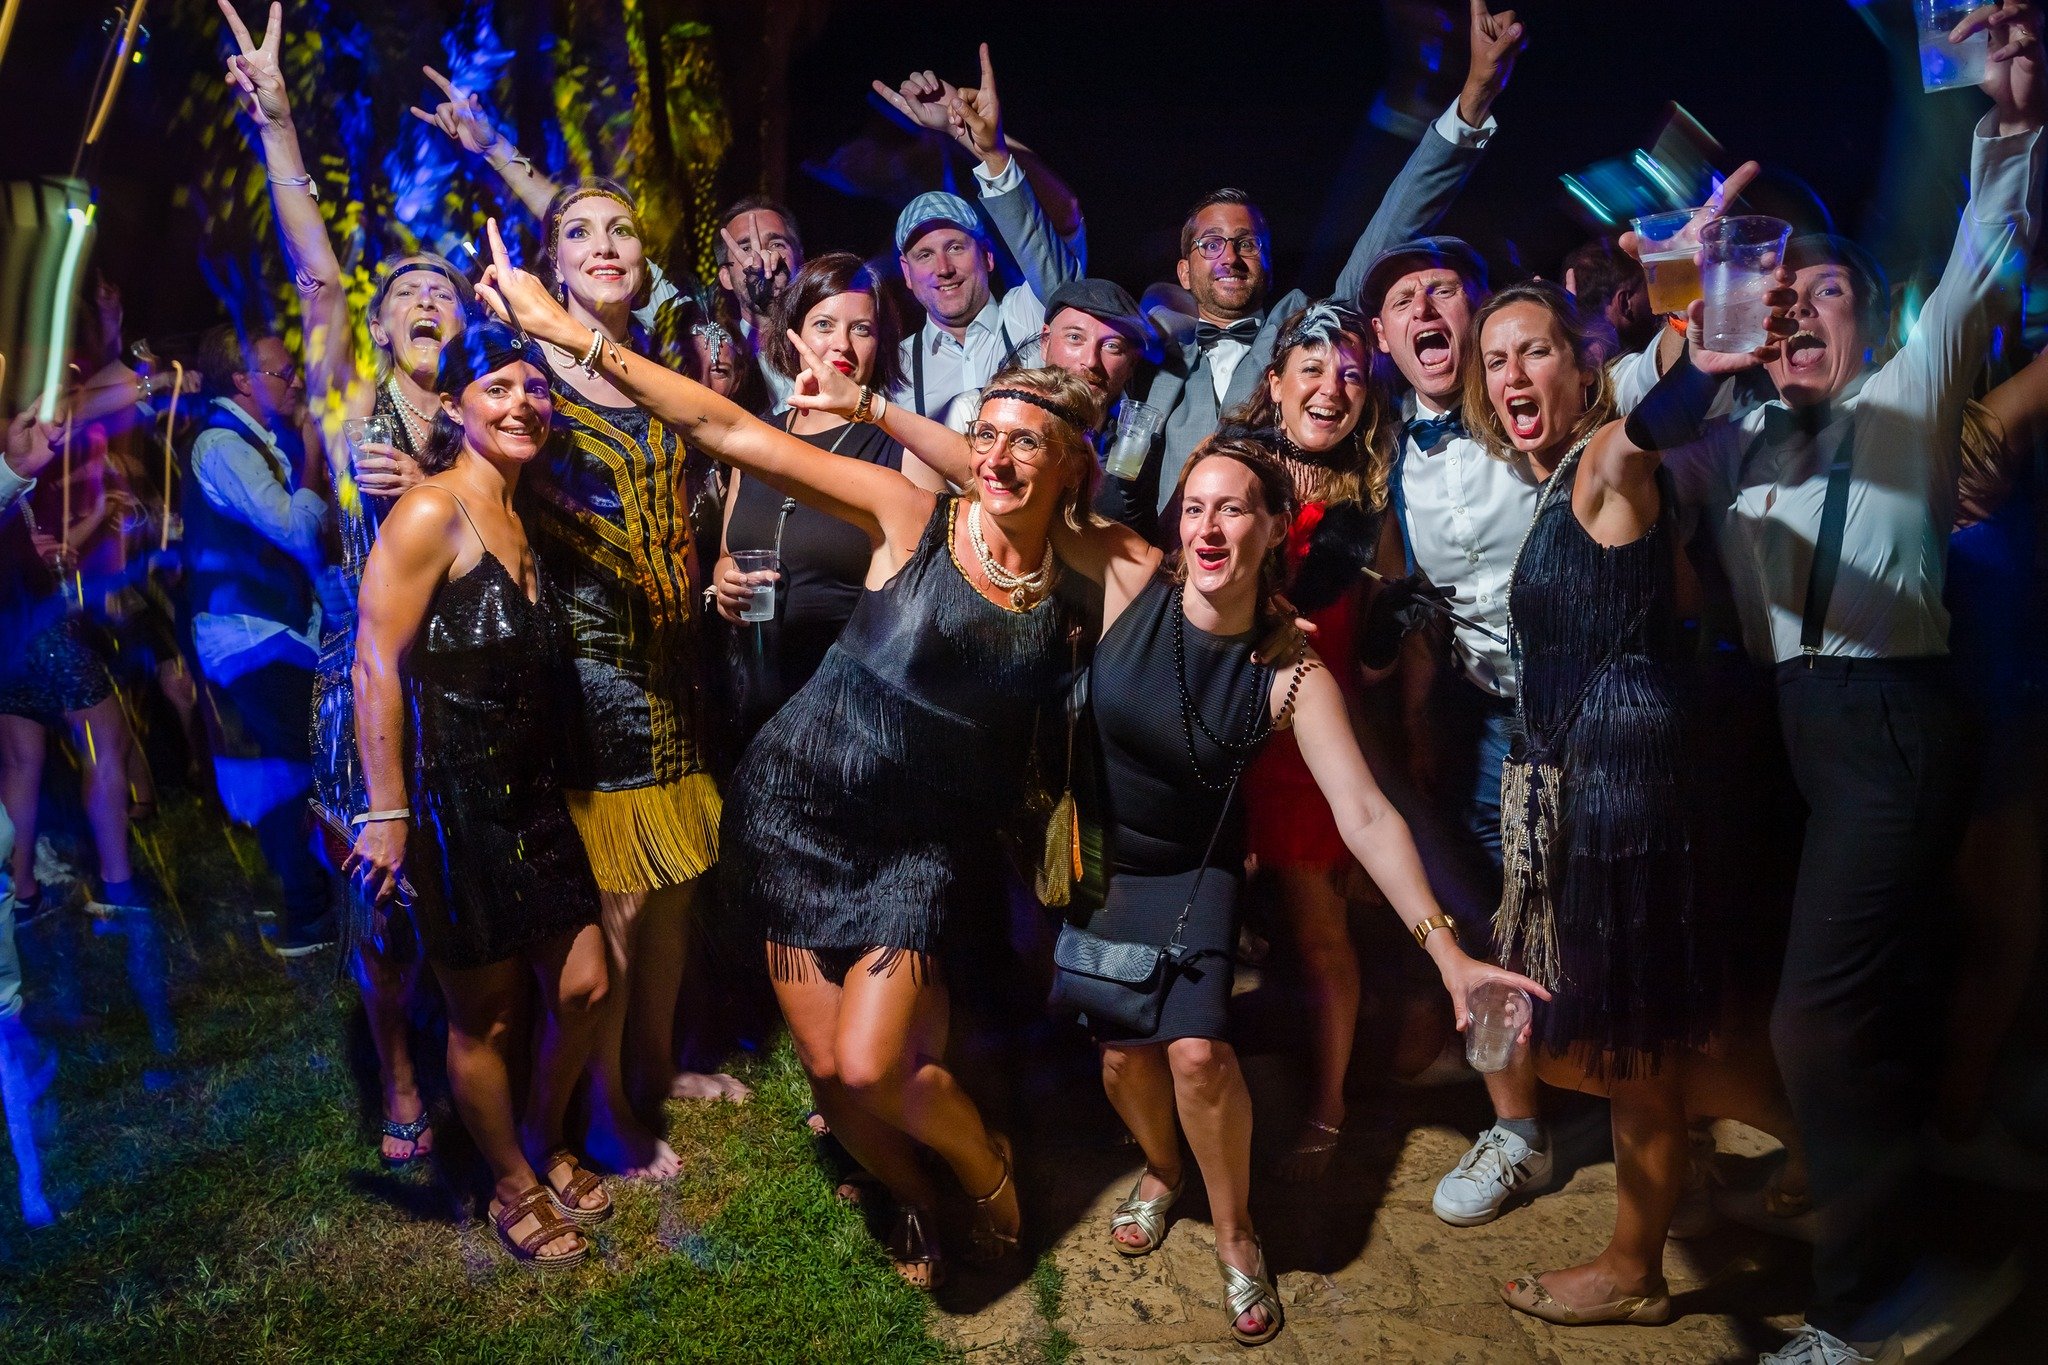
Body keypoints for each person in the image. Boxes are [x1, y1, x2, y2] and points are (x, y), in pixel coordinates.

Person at [477, 218, 1096, 1286]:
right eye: (984, 437)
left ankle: (987, 1172)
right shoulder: (913, 512)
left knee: (877, 1064)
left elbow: (1195, 586)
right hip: (793, 812)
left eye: (1023, 442)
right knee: (831, 1075)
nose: (995, 458)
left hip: (909, 842)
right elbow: (726, 428)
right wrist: (568, 336)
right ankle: (915, 1200)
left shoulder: (1076, 561)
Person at [1653, 9, 2046, 1358]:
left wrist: (2010, 123)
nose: (1802, 312)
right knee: (1834, 1011)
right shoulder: (1738, 437)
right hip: (1793, 740)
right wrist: (1685, 316)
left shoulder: (1907, 397)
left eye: (1828, 293)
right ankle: (1877, 1217)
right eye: (1784, 298)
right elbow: (1628, 449)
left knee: (1816, 1023)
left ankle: (1870, 1301)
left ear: (1870, 320)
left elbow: (1983, 254)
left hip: (1890, 725)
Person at [1078, 437, 1546, 1346]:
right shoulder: (1132, 578)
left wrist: (1448, 952)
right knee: (1123, 1062)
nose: (1209, 527)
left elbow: (1365, 814)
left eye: (1233, 508)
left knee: (1199, 1057)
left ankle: (1235, 1230)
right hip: (1106, 864)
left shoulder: (1291, 670)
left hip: (1196, 871)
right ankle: (1165, 1168)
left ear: (1272, 530)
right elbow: (1007, 487)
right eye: (1195, 507)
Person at [1459, 280, 1808, 1327]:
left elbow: (1654, 423)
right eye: (1495, 361)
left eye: (1534, 352)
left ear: (1583, 369)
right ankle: (1827, 1148)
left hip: (1624, 794)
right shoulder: (1554, 485)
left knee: (1631, 1047)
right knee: (1631, 1042)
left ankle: (1635, 1265)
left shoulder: (1605, 457)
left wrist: (1703, 354)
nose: (1512, 376)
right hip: (1593, 787)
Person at [221, 0, 451, 1165]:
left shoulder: (495, 415)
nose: (423, 300)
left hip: (468, 672)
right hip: (362, 672)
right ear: (380, 322)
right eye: (403, 290)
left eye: (441, 290)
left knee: (471, 886)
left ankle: (479, 1054)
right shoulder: (349, 409)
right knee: (383, 893)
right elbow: (317, 278)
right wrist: (277, 128)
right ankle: (399, 1068)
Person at [348, 320, 612, 1268]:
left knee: (585, 984)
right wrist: (388, 811)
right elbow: (375, 661)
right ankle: (510, 1180)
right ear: (457, 403)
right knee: (486, 1014)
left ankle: (541, 1133)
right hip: (456, 805)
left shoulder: (522, 508)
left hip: (533, 795)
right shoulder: (432, 511)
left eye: (535, 388)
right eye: (497, 387)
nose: (521, 404)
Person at [519, 177, 745, 1181]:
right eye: (579, 232)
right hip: (587, 672)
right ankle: (604, 1111)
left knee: (677, 886)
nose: (604, 244)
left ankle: (655, 1065)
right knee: (617, 899)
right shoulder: (532, 380)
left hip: (674, 662)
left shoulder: (654, 367)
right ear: (552, 265)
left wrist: (716, 563)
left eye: (622, 229)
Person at [1111, 1, 1523, 537]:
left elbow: (1392, 228)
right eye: (1211, 244)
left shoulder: (1306, 329)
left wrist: (1472, 100)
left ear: (1268, 261)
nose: (1230, 257)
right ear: (1184, 272)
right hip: (1165, 570)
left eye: (1247, 243)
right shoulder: (1154, 351)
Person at [1214, 301, 1395, 1180]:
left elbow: (1387, 646)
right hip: (1224, 733)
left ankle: (1329, 1102)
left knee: (1322, 935)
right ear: (1276, 382)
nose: (1333, 387)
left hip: (1312, 749)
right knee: (1218, 930)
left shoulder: (1373, 500)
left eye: (1352, 372)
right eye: (1314, 368)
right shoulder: (1227, 470)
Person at [711, 253, 942, 732]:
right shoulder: (756, 438)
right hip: (752, 707)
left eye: (862, 329)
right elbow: (728, 555)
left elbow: (928, 607)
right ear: (792, 333)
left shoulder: (904, 450)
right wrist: (725, 583)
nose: (841, 344)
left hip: (849, 717)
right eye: (823, 324)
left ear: (882, 344)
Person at [179, 321, 335, 957]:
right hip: (248, 632)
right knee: (295, 765)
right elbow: (295, 529)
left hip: (270, 628)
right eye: (281, 373)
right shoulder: (223, 444)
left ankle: (302, 900)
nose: (295, 382)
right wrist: (316, 454)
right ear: (242, 381)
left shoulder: (255, 440)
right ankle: (306, 915)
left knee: (291, 762)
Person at [879, 45, 1086, 427]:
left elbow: (1064, 212)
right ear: (906, 273)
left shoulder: (1033, 313)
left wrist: (990, 151)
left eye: (956, 247)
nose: (943, 267)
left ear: (987, 255)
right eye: (924, 255)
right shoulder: (894, 369)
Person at [1561, 236, 1656, 358]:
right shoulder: (1640, 365)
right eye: (1651, 287)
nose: (1658, 297)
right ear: (1625, 302)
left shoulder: (1577, 363)